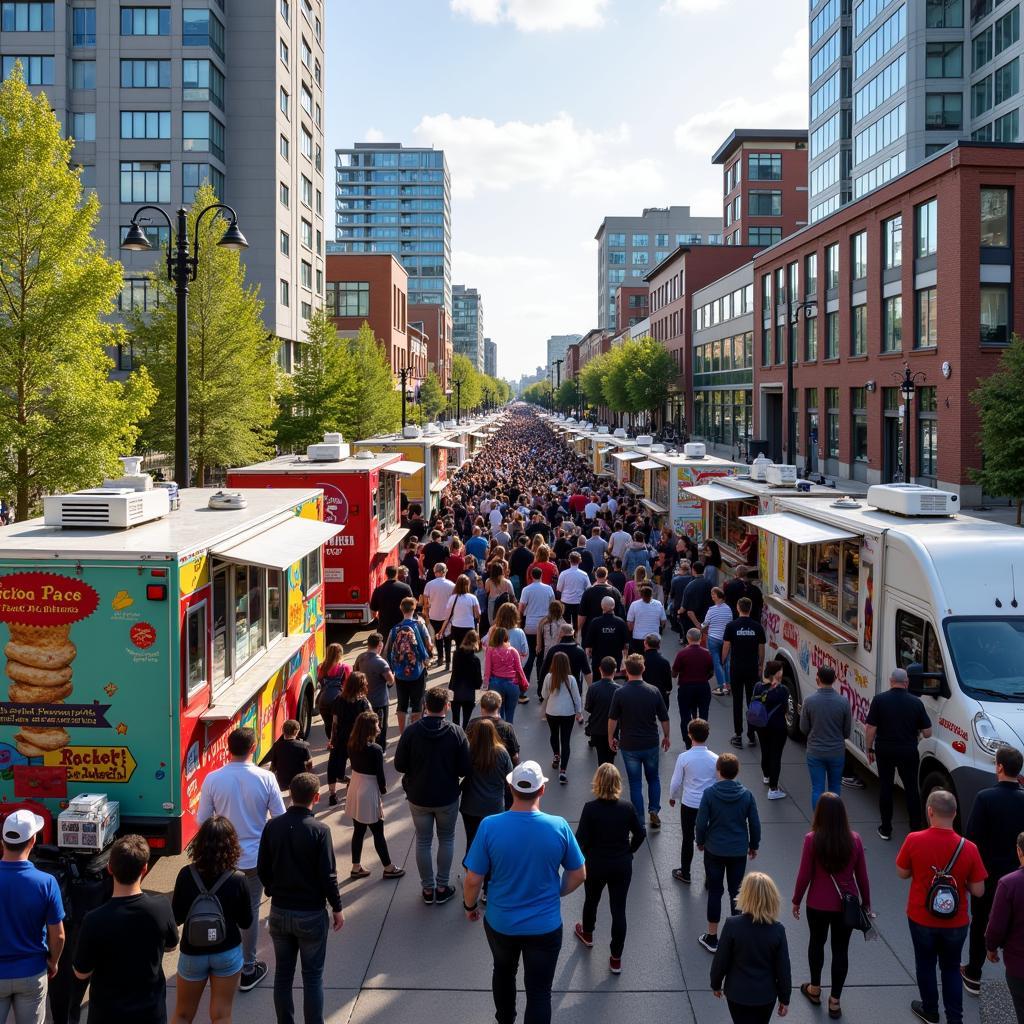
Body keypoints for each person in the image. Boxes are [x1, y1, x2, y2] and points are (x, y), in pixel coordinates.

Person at [463, 761, 587, 1024]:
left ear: (510, 788)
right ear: (542, 790)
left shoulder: (489, 826)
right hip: (545, 926)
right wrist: (557, 892)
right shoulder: (559, 826)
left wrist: (470, 907)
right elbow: (578, 874)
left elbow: (473, 878)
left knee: (504, 972)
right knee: (540, 993)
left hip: (501, 923)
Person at [198, 726, 286, 991]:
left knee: (223, 911)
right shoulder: (266, 778)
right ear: (254, 747)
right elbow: (279, 818)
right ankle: (248, 968)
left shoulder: (213, 779)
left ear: (228, 748)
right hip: (255, 861)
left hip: (223, 860)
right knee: (250, 913)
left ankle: (223, 962)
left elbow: (203, 821)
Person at [257, 773, 345, 1024]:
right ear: (316, 798)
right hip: (311, 914)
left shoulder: (272, 827)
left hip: (280, 912)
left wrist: (273, 889)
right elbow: (329, 875)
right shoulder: (320, 830)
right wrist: (337, 907)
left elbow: (262, 868)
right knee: (312, 977)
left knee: (283, 976)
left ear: (290, 795)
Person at [895, 789, 987, 1024]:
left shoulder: (914, 840)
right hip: (956, 922)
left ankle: (930, 1011)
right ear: (955, 813)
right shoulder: (970, 848)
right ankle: (955, 1018)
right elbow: (979, 891)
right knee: (951, 968)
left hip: (921, 917)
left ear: (930, 811)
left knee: (925, 964)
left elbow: (902, 873)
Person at [73, 835, 178, 1023]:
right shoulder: (161, 907)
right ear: (144, 869)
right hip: (150, 1014)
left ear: (110, 868)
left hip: (106, 1015)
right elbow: (171, 945)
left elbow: (81, 972)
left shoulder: (93, 920)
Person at [792, 792, 871, 1019]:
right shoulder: (854, 839)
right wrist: (866, 903)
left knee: (816, 943)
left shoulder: (811, 839)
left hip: (817, 903)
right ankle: (835, 1002)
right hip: (846, 906)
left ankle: (814, 988)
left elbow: (804, 875)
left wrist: (797, 899)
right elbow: (862, 876)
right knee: (841, 950)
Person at [394, 685, 471, 905]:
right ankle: (443, 885)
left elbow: (399, 765)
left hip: (418, 797)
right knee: (446, 839)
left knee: (423, 841)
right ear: (447, 706)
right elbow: (465, 768)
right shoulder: (456, 732)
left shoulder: (411, 731)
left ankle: (428, 889)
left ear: (425, 705)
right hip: (446, 796)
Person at [171, 816, 253, 1024]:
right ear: (231, 845)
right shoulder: (238, 879)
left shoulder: (185, 875)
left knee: (182, 1014)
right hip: (227, 951)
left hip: (192, 952)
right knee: (221, 1014)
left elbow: (177, 917)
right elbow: (246, 922)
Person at [962, 745, 1024, 996]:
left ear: (999, 767)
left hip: (987, 876)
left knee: (980, 923)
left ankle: (974, 973)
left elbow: (972, 840)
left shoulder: (985, 798)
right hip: (1018, 876)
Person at [574, 763, 645, 972]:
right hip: (621, 865)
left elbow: (579, 840)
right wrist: (629, 851)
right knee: (618, 909)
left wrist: (585, 855)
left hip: (595, 864)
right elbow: (640, 834)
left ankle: (587, 934)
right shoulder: (627, 807)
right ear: (617, 783)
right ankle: (616, 957)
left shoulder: (590, 808)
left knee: (591, 900)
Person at [0, 809, 64, 1023]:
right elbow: (59, 935)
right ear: (33, 840)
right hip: (32, 973)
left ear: (3, 840)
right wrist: (53, 962)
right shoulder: (46, 883)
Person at [695, 752, 761, 954]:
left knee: (715, 891)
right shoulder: (747, 795)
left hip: (714, 849)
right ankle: (736, 937)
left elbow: (701, 822)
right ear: (736, 772)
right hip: (737, 851)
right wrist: (753, 844)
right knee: (736, 892)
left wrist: (701, 840)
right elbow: (755, 823)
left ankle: (712, 937)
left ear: (718, 771)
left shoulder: (709, 794)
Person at [710, 872, 792, 1024]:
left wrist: (716, 983)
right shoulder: (778, 930)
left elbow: (721, 960)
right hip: (765, 996)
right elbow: (783, 969)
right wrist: (784, 998)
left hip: (737, 993)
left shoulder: (732, 925)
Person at [864, 667, 932, 841]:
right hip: (908, 750)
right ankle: (915, 829)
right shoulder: (916, 703)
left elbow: (871, 727)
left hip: (884, 750)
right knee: (911, 789)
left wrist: (869, 748)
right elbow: (927, 732)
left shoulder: (879, 700)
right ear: (907, 683)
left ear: (890, 681)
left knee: (886, 787)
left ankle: (886, 828)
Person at [607, 653, 671, 830]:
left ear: (626, 671)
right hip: (650, 742)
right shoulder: (653, 691)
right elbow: (664, 717)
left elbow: (612, 719)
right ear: (643, 669)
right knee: (653, 778)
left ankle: (639, 818)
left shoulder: (620, 692)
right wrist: (666, 736)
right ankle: (654, 810)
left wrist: (610, 737)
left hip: (629, 745)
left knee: (635, 783)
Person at [345, 712, 405, 881]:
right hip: (369, 788)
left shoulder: (351, 743)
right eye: (377, 724)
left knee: (359, 830)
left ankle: (356, 867)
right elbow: (380, 775)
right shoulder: (375, 749)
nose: (379, 727)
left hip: (355, 785)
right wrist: (383, 790)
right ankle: (388, 867)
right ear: (371, 728)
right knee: (378, 831)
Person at [668, 718, 718, 884]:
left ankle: (686, 872)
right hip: (709, 804)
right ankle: (710, 877)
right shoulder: (715, 758)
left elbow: (676, 782)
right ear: (708, 735)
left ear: (690, 735)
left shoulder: (684, 757)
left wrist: (672, 796)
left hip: (689, 803)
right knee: (710, 839)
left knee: (687, 838)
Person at [460, 718, 514, 870]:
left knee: (472, 840)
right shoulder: (502, 753)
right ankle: (487, 885)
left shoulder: (469, 752)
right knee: (492, 845)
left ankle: (470, 872)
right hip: (494, 807)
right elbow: (510, 777)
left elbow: (460, 771)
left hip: (470, 806)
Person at [799, 667, 852, 813]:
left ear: (818, 679)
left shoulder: (809, 701)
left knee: (817, 788)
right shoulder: (843, 702)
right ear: (835, 680)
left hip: (815, 751)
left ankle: (819, 821)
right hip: (836, 752)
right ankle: (834, 820)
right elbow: (846, 732)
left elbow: (803, 728)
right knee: (835, 787)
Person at [985, 830, 1024, 1022]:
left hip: (1020, 968)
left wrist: (991, 948)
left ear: (1019, 851)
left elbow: (996, 927)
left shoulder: (1009, 884)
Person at [384, 596, 435, 734]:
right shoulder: (419, 625)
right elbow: (429, 644)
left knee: (402, 704)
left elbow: (387, 651)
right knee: (417, 704)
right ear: (414, 609)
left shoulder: (395, 629)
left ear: (401, 609)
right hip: (417, 670)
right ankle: (416, 734)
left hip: (400, 672)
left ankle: (403, 734)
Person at [721, 596, 765, 747]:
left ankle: (738, 735)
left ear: (738, 608)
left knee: (737, 702)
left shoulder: (732, 626)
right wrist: (760, 665)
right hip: (752, 668)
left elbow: (726, 646)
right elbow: (761, 648)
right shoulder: (757, 627)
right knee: (752, 702)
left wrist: (722, 661)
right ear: (750, 608)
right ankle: (752, 735)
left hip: (736, 668)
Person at [327, 670, 372, 806]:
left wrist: (332, 740)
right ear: (361, 686)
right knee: (358, 767)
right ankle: (354, 791)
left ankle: (332, 795)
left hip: (340, 739)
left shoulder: (338, 700)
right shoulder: (363, 702)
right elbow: (371, 719)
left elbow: (334, 723)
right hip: (357, 740)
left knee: (333, 766)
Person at [541, 651, 583, 784]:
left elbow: (544, 694)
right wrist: (579, 712)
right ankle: (563, 771)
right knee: (566, 740)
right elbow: (577, 697)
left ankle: (556, 756)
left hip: (552, 711)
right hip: (568, 713)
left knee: (554, 735)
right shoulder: (571, 679)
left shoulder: (549, 677)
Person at [751, 661, 790, 800]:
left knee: (765, 751)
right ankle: (773, 789)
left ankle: (766, 776)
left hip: (761, 726)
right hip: (778, 727)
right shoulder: (783, 690)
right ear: (778, 673)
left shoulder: (758, 687)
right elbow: (785, 708)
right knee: (776, 756)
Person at [353, 632, 395, 754]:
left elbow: (355, 672)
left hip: (363, 700)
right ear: (380, 646)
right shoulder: (381, 663)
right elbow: (390, 680)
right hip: (380, 701)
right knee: (380, 727)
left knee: (363, 726)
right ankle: (380, 750)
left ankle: (364, 747)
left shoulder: (360, 658)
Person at [673, 627, 715, 744]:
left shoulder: (682, 653)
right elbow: (711, 672)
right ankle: (701, 738)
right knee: (703, 714)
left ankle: (688, 741)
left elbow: (674, 673)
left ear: (688, 638)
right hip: (703, 687)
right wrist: (703, 678)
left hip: (686, 687)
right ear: (700, 638)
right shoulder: (707, 654)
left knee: (685, 715)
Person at [483, 626, 530, 724]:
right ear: (506, 637)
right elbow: (519, 670)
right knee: (510, 714)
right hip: (512, 684)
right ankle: (508, 735)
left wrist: (485, 685)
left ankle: (499, 735)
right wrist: (525, 683)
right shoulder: (513, 651)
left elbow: (487, 670)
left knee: (498, 714)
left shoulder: (490, 650)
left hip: (496, 684)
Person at [467, 690, 521, 768]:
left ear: (482, 707)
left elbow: (466, 747)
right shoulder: (507, 727)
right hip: (501, 772)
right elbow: (515, 755)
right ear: (499, 706)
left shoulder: (472, 723)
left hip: (476, 771)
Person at [518, 566, 554, 684]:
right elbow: (553, 605)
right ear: (541, 575)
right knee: (542, 654)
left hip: (530, 624)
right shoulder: (548, 589)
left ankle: (525, 680)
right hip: (545, 624)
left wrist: (519, 620)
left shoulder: (527, 590)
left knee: (530, 654)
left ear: (531, 576)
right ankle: (541, 680)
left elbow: (521, 607)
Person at [538, 621, 592, 693]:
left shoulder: (553, 650)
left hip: (556, 688)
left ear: (561, 633)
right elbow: (587, 673)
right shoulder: (580, 651)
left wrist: (540, 689)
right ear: (573, 633)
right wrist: (591, 690)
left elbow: (544, 670)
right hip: (574, 689)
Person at [586, 657, 620, 766]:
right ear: (615, 671)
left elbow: (588, 708)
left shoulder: (593, 688)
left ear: (600, 669)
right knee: (611, 759)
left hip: (597, 730)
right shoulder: (619, 690)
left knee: (601, 758)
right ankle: (610, 780)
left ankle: (602, 781)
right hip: (613, 731)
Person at [584, 595, 628, 679]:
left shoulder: (595, 622)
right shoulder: (620, 622)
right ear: (613, 606)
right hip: (615, 661)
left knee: (597, 681)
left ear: (601, 606)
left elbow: (588, 646)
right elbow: (626, 644)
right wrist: (624, 658)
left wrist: (589, 655)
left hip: (598, 661)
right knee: (613, 683)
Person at [422, 563, 456, 670]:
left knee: (438, 636)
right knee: (448, 638)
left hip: (434, 615)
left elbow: (425, 601)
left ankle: (440, 658)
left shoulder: (429, 584)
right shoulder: (452, 584)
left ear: (435, 571)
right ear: (445, 571)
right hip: (447, 616)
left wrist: (426, 612)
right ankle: (448, 661)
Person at [315, 643, 349, 745]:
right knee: (340, 725)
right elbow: (348, 685)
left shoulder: (321, 667)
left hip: (323, 700)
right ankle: (338, 745)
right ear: (340, 654)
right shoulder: (345, 668)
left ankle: (331, 742)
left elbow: (320, 681)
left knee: (328, 724)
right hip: (338, 700)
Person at [703, 587, 734, 697]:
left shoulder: (711, 609)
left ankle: (722, 686)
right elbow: (730, 622)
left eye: (713, 595)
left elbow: (705, 623)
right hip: (726, 639)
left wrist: (700, 627)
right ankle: (728, 685)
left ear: (718, 596)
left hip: (713, 639)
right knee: (726, 662)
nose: (712, 597)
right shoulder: (728, 609)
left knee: (717, 662)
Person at [369, 564, 414, 640]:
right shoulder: (406, 588)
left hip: (384, 627)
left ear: (386, 574)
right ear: (397, 574)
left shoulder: (378, 590)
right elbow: (412, 607)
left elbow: (373, 611)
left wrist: (381, 618)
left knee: (385, 650)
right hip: (402, 626)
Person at [268, 719, 313, 793]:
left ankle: (290, 791)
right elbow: (309, 763)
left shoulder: (277, 746)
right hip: (299, 780)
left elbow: (273, 764)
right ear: (296, 732)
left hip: (283, 781)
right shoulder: (303, 746)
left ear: (283, 731)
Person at [450, 629, 483, 728]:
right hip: (469, 693)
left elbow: (454, 672)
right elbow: (478, 681)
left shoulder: (456, 654)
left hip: (455, 691)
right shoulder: (475, 659)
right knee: (466, 721)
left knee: (455, 720)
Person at [536, 599, 567, 695]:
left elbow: (538, 633)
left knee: (542, 672)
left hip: (545, 651)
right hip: (558, 651)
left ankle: (542, 691)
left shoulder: (543, 621)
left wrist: (538, 645)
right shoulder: (563, 623)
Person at [625, 585, 666, 655]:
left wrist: (632, 630)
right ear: (652, 594)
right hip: (654, 637)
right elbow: (663, 620)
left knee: (639, 659)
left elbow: (629, 622)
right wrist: (659, 628)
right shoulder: (658, 604)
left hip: (638, 637)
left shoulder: (634, 604)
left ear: (640, 595)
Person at [556, 551, 590, 629]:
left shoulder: (563, 574)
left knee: (566, 624)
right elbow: (588, 588)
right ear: (580, 561)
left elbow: (559, 589)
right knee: (577, 625)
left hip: (566, 601)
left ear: (569, 560)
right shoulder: (584, 574)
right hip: (578, 602)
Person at [642, 633, 672, 706]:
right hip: (660, 694)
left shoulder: (641, 661)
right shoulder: (665, 662)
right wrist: (668, 689)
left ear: (645, 644)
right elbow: (668, 679)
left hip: (644, 694)